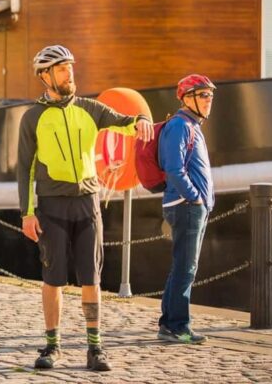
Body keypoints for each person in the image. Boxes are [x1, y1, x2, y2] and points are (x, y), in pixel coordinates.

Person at [17, 45, 154, 371]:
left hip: (88, 204)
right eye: (62, 69)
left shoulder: (90, 108)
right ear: (45, 76)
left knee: (91, 278)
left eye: (70, 68)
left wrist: (142, 120)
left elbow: (124, 121)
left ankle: (95, 348)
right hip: (51, 207)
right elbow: (25, 168)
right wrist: (27, 212)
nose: (70, 74)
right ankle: (52, 345)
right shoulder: (33, 117)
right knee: (53, 279)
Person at [156, 74, 215, 344]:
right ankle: (179, 326)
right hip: (186, 206)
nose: (208, 100)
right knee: (186, 267)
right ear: (187, 98)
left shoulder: (192, 125)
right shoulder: (180, 125)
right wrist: (195, 198)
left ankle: (168, 323)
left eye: (210, 95)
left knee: (182, 265)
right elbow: (174, 168)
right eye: (203, 95)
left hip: (191, 206)